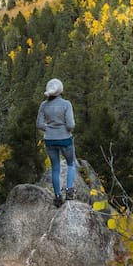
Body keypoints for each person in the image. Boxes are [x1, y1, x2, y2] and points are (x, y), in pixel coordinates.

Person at [36, 78, 76, 207]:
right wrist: (64, 129)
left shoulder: (44, 105)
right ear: (60, 90)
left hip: (50, 140)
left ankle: (58, 196)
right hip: (65, 138)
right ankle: (69, 191)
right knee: (71, 164)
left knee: (55, 168)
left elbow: (39, 124)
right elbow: (71, 125)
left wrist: (49, 129)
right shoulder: (66, 104)